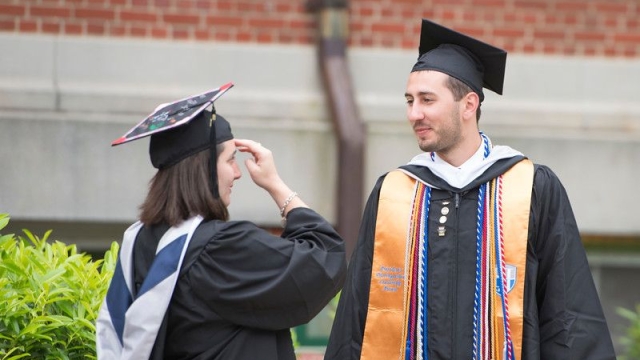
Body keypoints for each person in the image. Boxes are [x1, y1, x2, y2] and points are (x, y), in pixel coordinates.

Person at [324, 19, 615, 360]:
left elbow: (568, 314)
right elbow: (356, 315)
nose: (413, 113)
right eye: (409, 100)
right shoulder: (394, 193)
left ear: (469, 105)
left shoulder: (530, 188)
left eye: (427, 100)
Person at [96, 83, 347, 360]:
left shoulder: (141, 241)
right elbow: (325, 259)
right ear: (204, 170)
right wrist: (276, 185)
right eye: (231, 160)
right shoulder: (220, 249)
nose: (238, 173)